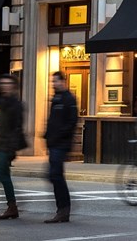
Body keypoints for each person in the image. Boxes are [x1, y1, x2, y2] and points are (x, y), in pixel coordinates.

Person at [43, 71, 79, 223]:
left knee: (55, 175)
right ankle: (63, 208)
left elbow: (72, 122)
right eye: (52, 81)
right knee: (53, 175)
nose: (54, 84)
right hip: (54, 143)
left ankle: (64, 209)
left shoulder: (68, 98)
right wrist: (47, 136)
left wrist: (59, 136)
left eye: (56, 81)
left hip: (61, 143)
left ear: (63, 81)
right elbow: (52, 120)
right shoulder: (56, 98)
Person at [0, 74, 27, 221]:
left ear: (13, 86)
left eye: (8, 83)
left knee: (1, 173)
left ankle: (12, 206)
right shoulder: (1, 103)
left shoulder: (16, 104)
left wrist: (12, 148)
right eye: (2, 83)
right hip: (2, 143)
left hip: (8, 145)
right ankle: (12, 205)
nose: (5, 86)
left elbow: (17, 127)